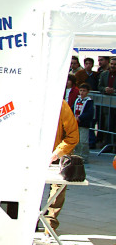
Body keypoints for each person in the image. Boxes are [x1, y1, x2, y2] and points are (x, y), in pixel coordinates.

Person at [43, 99, 79, 231]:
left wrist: (57, 153)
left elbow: (73, 136)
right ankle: (30, 222)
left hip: (57, 153)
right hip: (33, 154)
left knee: (57, 190)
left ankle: (49, 225)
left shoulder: (60, 104)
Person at [73, 83, 94, 162]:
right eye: (81, 90)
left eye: (84, 91)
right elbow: (72, 108)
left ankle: (84, 157)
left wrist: (80, 117)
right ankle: (76, 155)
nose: (82, 92)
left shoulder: (89, 101)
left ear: (87, 92)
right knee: (76, 141)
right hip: (76, 123)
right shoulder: (77, 100)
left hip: (84, 124)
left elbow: (89, 112)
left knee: (83, 141)